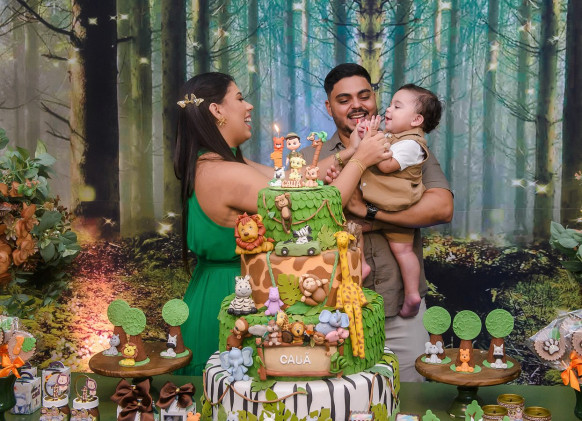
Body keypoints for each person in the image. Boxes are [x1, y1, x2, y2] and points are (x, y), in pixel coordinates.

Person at [173, 72, 391, 375]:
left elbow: (291, 180)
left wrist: (348, 154)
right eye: (239, 98)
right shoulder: (224, 173)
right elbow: (313, 210)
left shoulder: (222, 163)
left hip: (227, 289)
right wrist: (361, 161)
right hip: (229, 297)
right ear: (217, 110)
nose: (249, 106)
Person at [301, 64, 453, 382]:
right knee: (338, 398)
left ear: (374, 98)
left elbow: (441, 208)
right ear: (328, 107)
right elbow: (305, 217)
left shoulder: (405, 146)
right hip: (333, 314)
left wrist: (368, 213)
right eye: (344, 99)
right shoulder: (313, 159)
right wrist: (354, 158)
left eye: (364, 95)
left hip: (400, 311)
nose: (357, 105)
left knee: (409, 395)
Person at [359, 84, 443, 319]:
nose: (388, 109)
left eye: (397, 106)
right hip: (391, 201)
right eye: (390, 104)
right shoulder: (394, 138)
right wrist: (370, 135)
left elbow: (387, 165)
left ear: (416, 120)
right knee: (402, 250)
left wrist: (370, 141)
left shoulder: (411, 145)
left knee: (354, 226)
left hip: (392, 201)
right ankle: (407, 291)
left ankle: (410, 291)